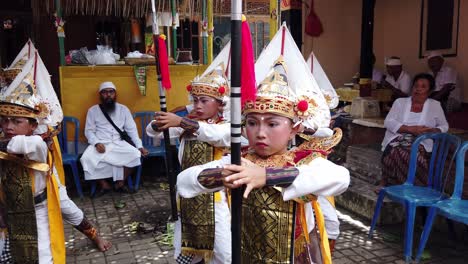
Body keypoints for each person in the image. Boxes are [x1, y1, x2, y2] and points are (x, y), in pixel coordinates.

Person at [177, 57, 350, 263]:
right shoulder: (239, 162)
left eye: (272, 124)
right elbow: (184, 182)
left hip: (294, 256)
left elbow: (341, 178)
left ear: (294, 129)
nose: (260, 133)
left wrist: (266, 175)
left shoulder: (303, 161)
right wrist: (219, 176)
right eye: (252, 122)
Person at [147, 65, 232, 263]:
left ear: (220, 104)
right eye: (195, 100)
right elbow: (154, 133)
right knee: (187, 246)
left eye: (204, 100)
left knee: (224, 252)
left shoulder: (226, 127)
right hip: (187, 195)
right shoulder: (187, 125)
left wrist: (181, 121)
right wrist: (159, 122)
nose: (198, 105)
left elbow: (213, 134)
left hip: (214, 198)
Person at [0, 70, 65, 263]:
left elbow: (17, 145)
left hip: (39, 210)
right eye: (4, 121)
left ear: (32, 126)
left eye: (16, 121)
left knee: (43, 257)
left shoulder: (36, 145)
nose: (8, 126)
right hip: (8, 212)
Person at [376, 73, 449, 193]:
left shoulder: (435, 105)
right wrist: (410, 129)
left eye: (423, 86)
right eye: (416, 86)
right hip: (398, 138)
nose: (418, 89)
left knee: (410, 152)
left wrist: (433, 131)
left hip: (422, 140)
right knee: (398, 150)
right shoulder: (400, 102)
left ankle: (398, 184)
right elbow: (388, 122)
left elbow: (444, 126)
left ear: (430, 91)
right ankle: (417, 185)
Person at [80, 81, 148, 195]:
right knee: (85, 159)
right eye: (105, 92)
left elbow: (132, 130)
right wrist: (96, 143)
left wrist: (139, 146)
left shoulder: (123, 109)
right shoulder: (93, 110)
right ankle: (104, 185)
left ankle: (120, 183)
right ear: (100, 95)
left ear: (115, 94)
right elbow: (89, 131)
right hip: (101, 144)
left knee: (135, 155)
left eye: (111, 92)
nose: (108, 95)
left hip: (118, 143)